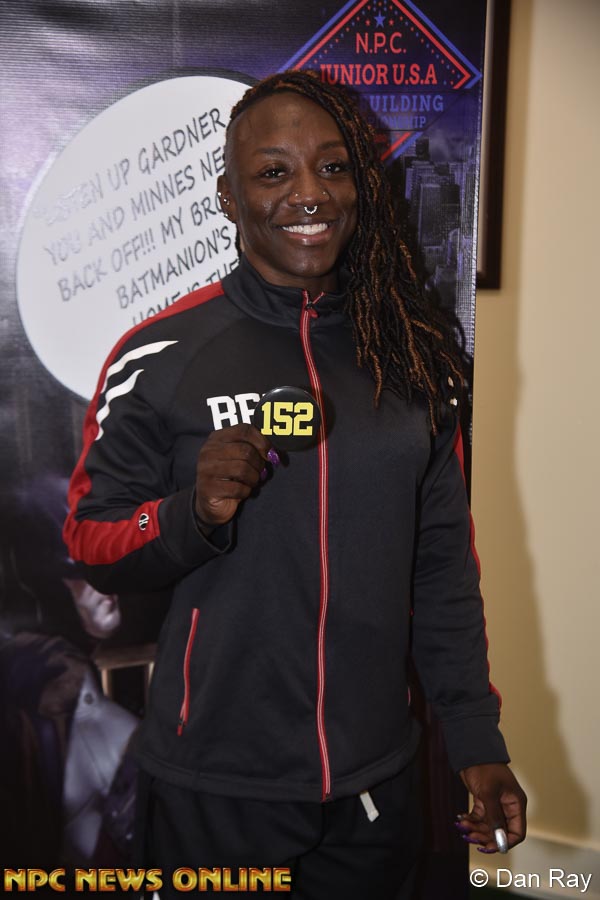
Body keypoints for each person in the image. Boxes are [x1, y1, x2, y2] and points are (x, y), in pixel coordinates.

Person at [64, 70, 526, 898]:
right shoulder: (159, 356)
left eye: (333, 167)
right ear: (228, 197)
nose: (309, 193)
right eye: (273, 172)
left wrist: (475, 740)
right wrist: (191, 515)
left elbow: (443, 571)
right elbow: (92, 542)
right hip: (216, 788)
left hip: (375, 784)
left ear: (361, 186)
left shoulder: (417, 359)